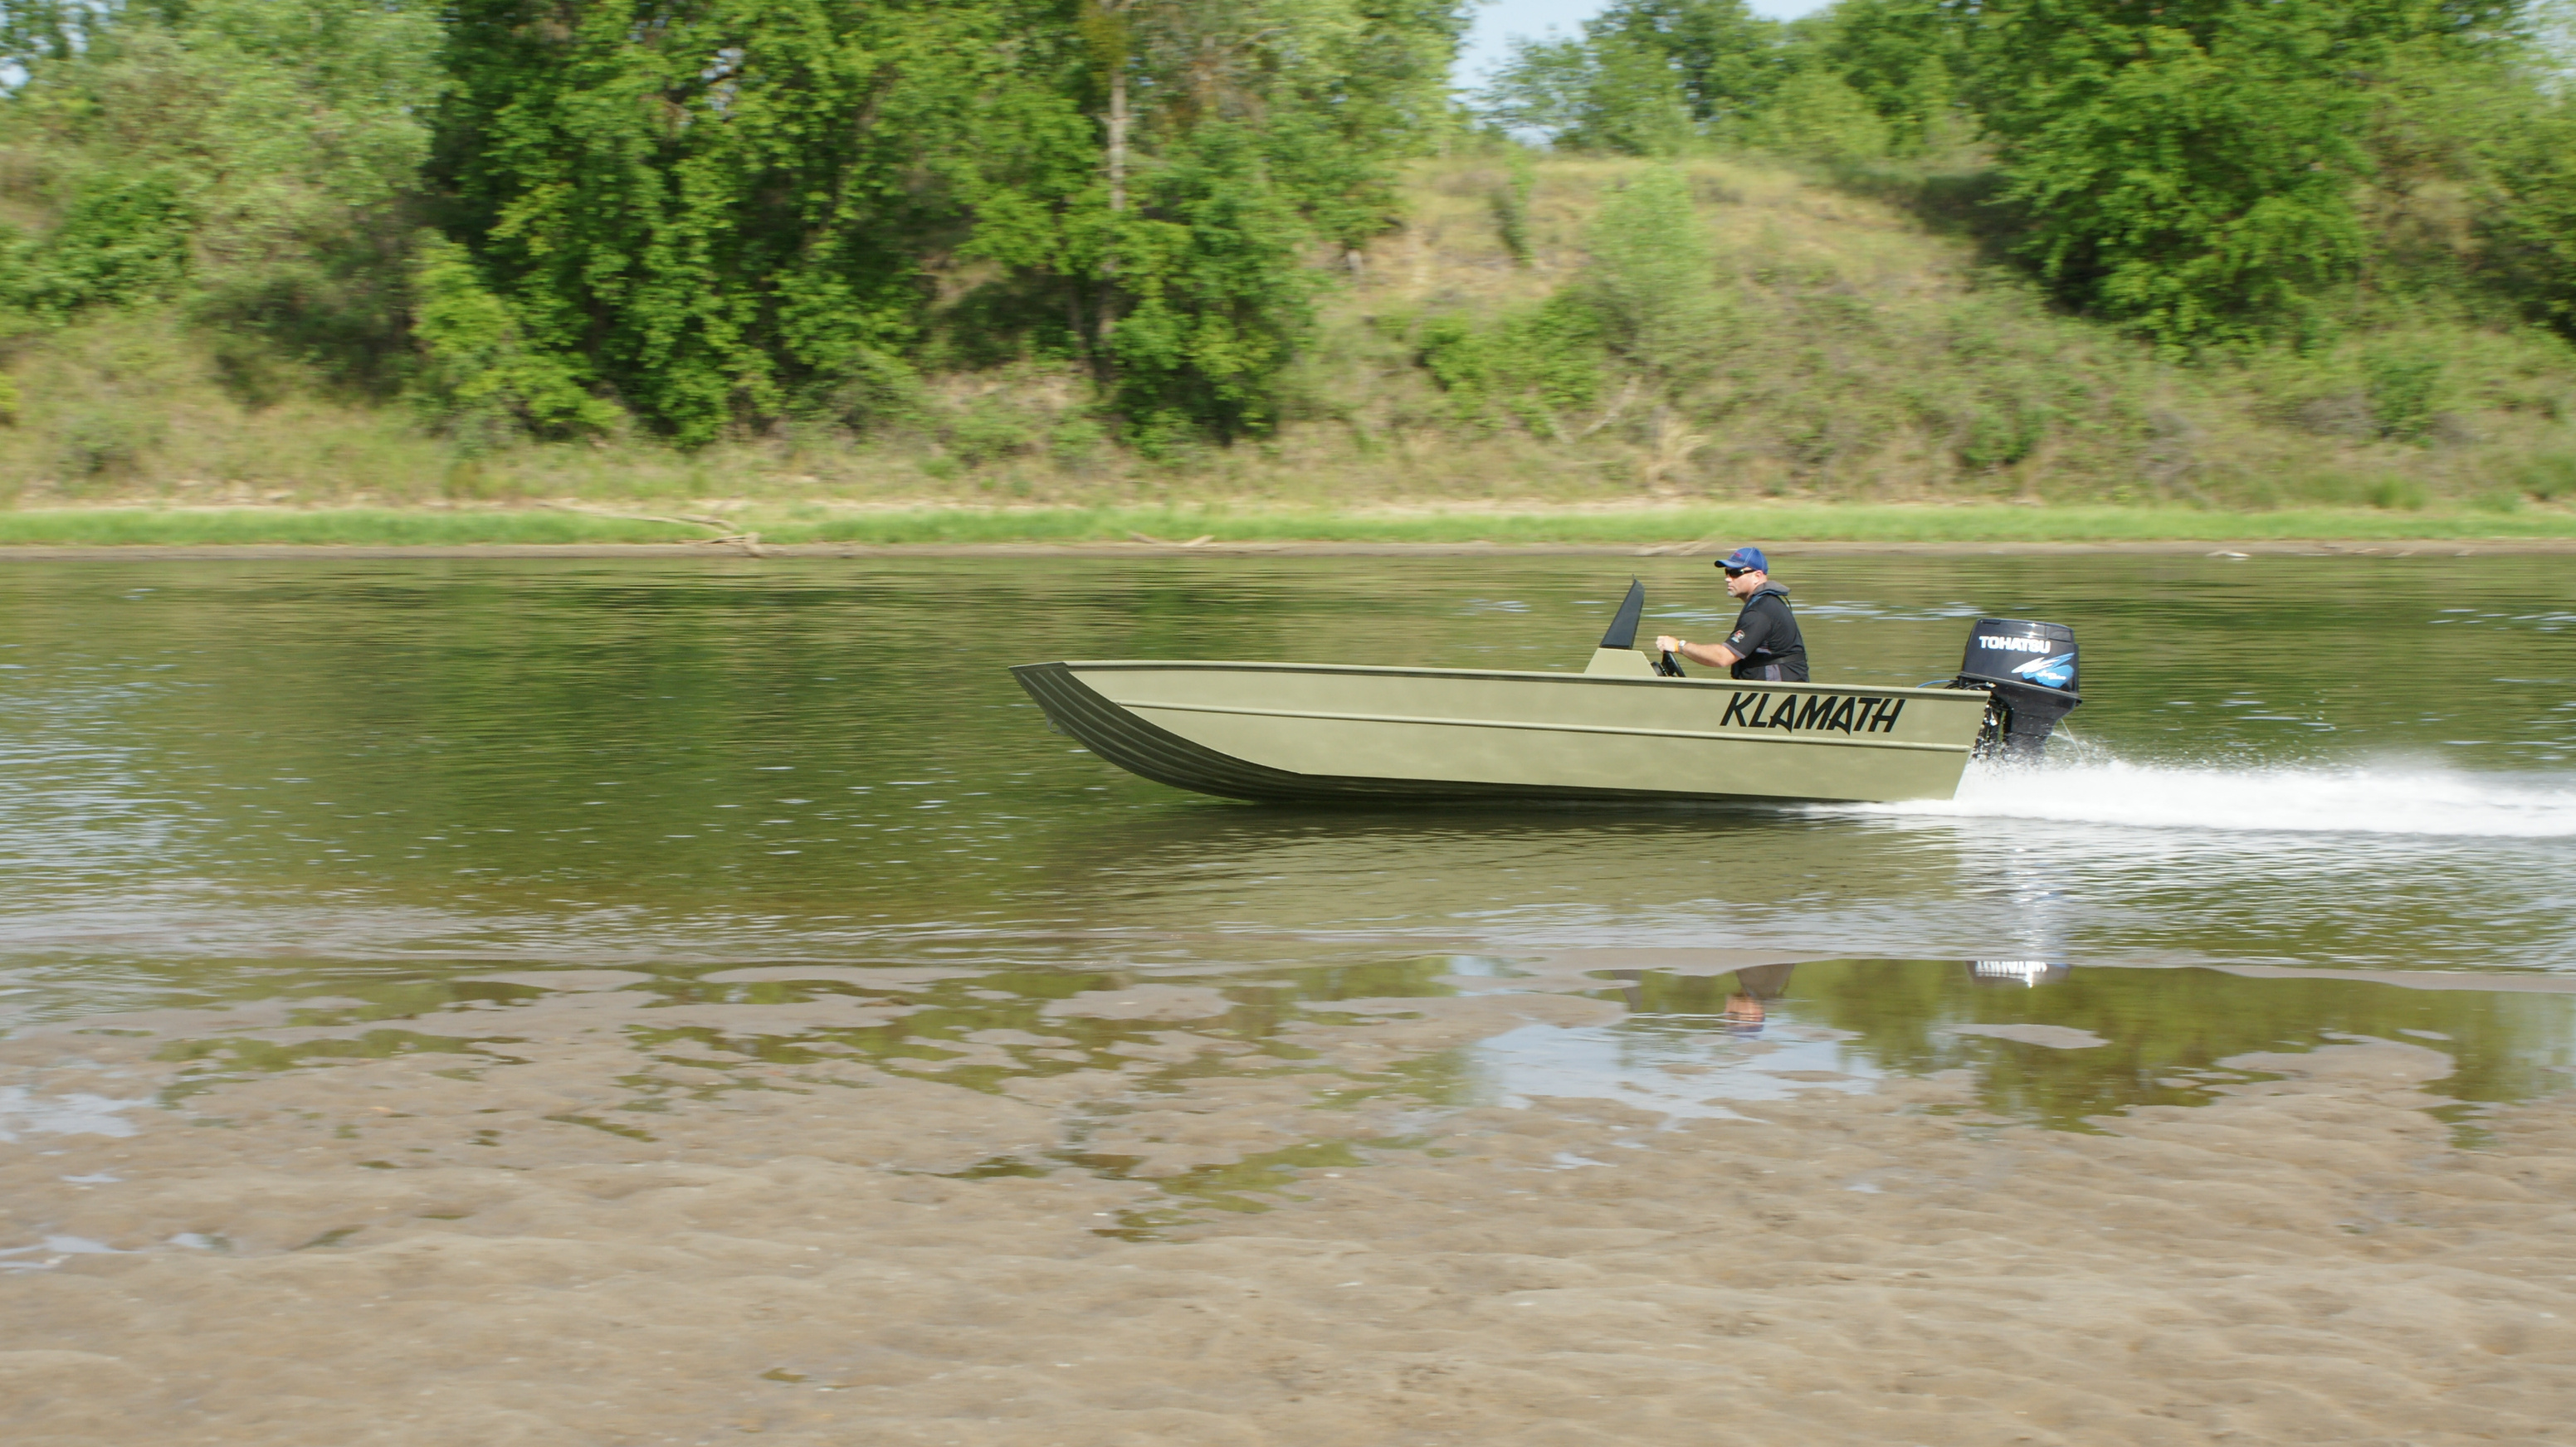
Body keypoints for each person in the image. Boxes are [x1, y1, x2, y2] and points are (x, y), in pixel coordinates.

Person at [1653, 546, 1808, 682]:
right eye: (1727, 572)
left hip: (1779, 698)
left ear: (1757, 576)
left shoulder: (1761, 611)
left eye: (1735, 573)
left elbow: (1722, 657)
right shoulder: (1764, 605)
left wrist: (1678, 646)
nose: (1728, 578)